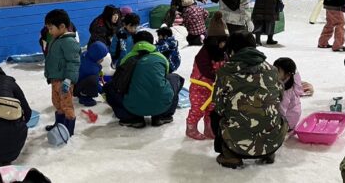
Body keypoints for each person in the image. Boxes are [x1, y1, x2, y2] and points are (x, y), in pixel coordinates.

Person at [211, 31, 286, 168]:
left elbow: (219, 107)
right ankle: (267, 151)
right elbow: (280, 98)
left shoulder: (225, 72)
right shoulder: (272, 69)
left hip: (237, 143)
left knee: (214, 115)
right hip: (273, 141)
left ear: (232, 50)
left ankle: (230, 155)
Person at [105, 31, 183, 128]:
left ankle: (132, 119)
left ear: (134, 43)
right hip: (162, 106)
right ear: (151, 43)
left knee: (109, 87)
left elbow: (119, 80)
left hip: (133, 107)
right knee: (175, 78)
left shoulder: (127, 58)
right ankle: (162, 116)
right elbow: (165, 75)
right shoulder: (161, 57)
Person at [186, 12, 228, 140]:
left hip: (214, 89)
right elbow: (205, 70)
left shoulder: (223, 53)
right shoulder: (203, 54)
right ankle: (191, 128)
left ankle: (209, 128)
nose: (224, 45)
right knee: (197, 109)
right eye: (222, 42)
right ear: (214, 41)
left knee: (211, 110)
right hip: (200, 87)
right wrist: (217, 76)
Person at [43, 9, 81, 136]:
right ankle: (59, 125)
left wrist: (69, 80)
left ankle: (68, 131)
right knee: (57, 103)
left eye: (51, 28)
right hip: (55, 80)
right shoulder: (56, 38)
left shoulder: (69, 42)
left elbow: (74, 63)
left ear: (62, 26)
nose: (49, 31)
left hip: (64, 81)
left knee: (67, 106)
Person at [74, 41, 108, 107]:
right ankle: (85, 97)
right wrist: (103, 92)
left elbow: (92, 65)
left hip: (75, 83)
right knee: (93, 80)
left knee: (91, 79)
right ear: (96, 57)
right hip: (76, 87)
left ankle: (82, 92)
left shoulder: (85, 54)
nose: (103, 60)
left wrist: (99, 68)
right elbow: (96, 83)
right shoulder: (91, 70)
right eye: (101, 58)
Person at [273, 58, 303, 131]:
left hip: (287, 122)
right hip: (293, 117)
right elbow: (296, 74)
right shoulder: (292, 80)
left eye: (277, 71)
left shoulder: (286, 91)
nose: (274, 73)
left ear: (287, 74)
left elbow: (282, 109)